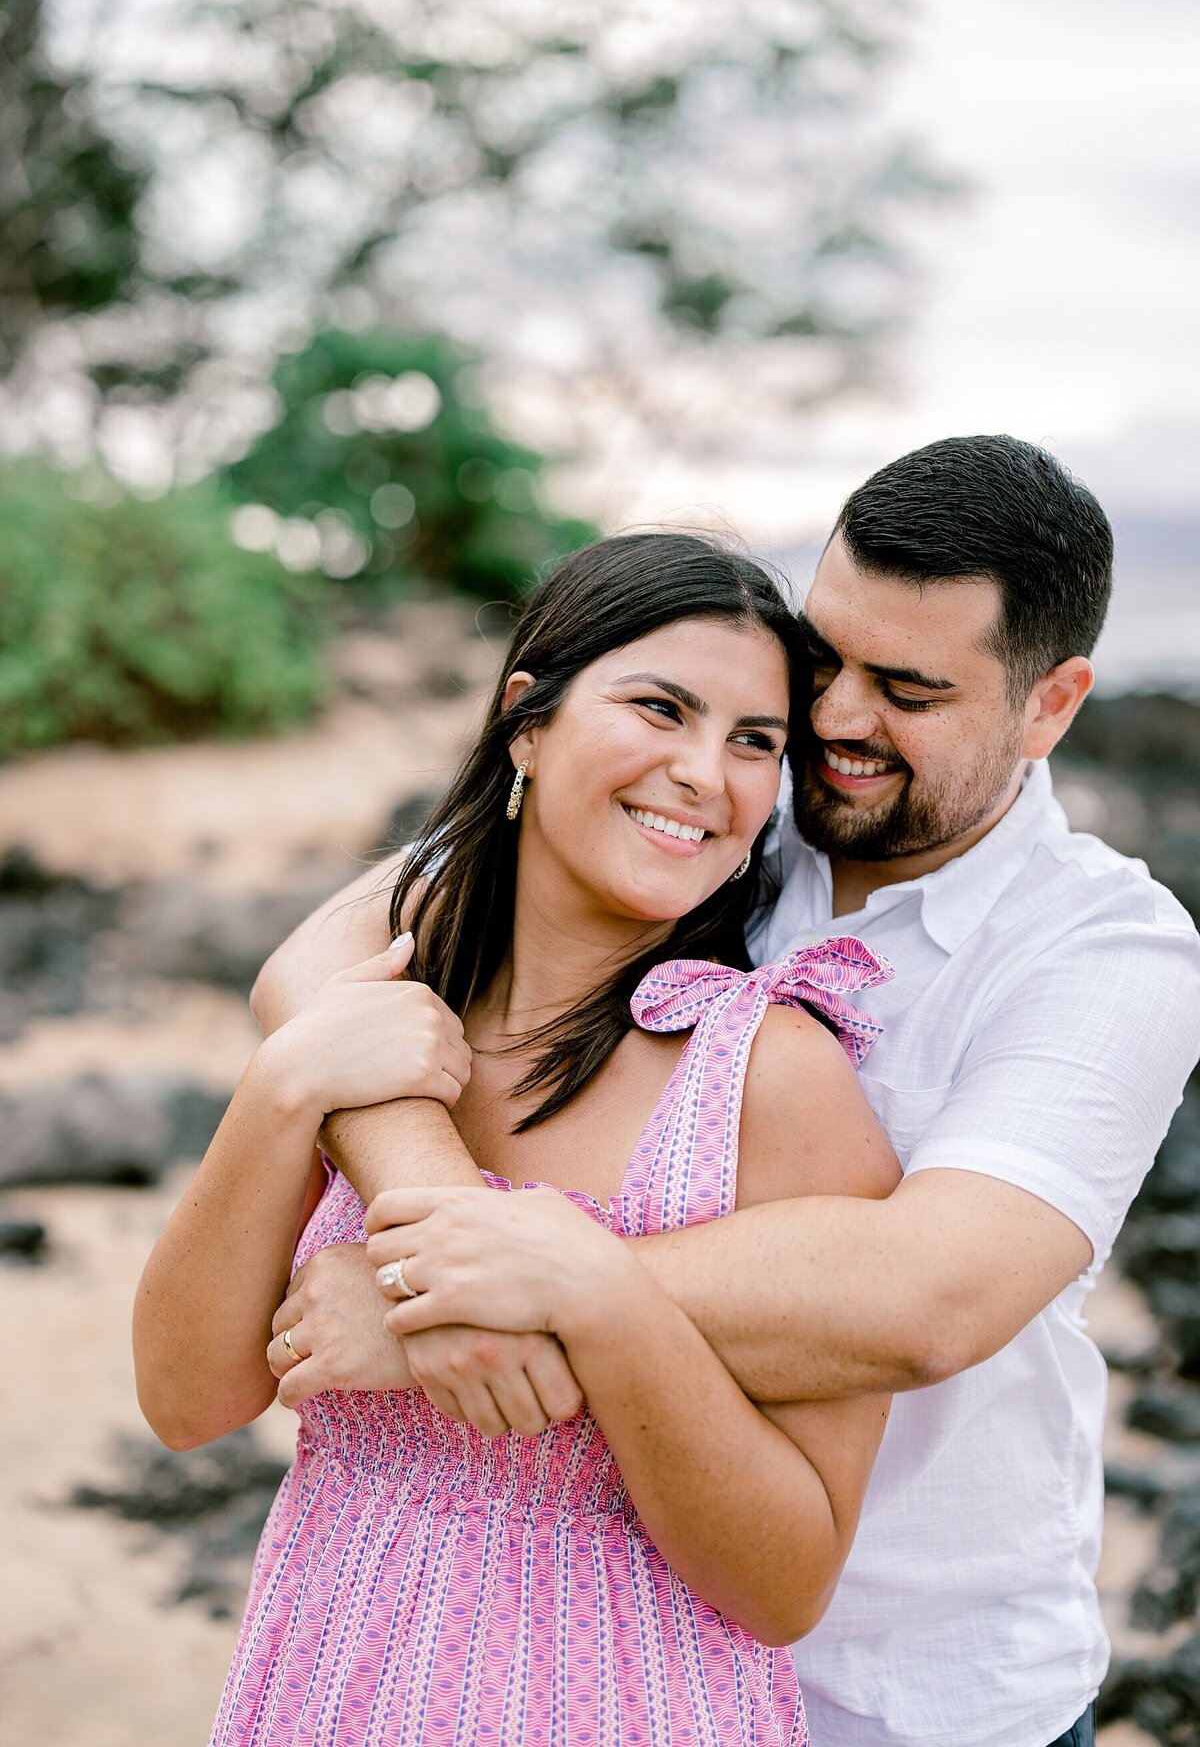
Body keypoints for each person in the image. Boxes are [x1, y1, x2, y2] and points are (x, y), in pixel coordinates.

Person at [257, 436, 1200, 1747]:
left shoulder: (1107, 949)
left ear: (1052, 704)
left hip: (920, 1693)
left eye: (909, 688)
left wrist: (489, 1286)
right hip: (616, 1651)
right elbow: (323, 961)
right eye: (826, 660)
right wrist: (432, 1234)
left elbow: (926, 1296)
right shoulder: (720, 805)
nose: (833, 718)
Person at [133, 532, 905, 1747]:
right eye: (662, 706)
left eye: (756, 741)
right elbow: (186, 1400)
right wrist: (285, 1086)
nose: (708, 772)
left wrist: (585, 1298)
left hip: (629, 1707)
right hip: (330, 1677)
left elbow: (788, 1579)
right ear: (526, 722)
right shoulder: (373, 1031)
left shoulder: (769, 1075)